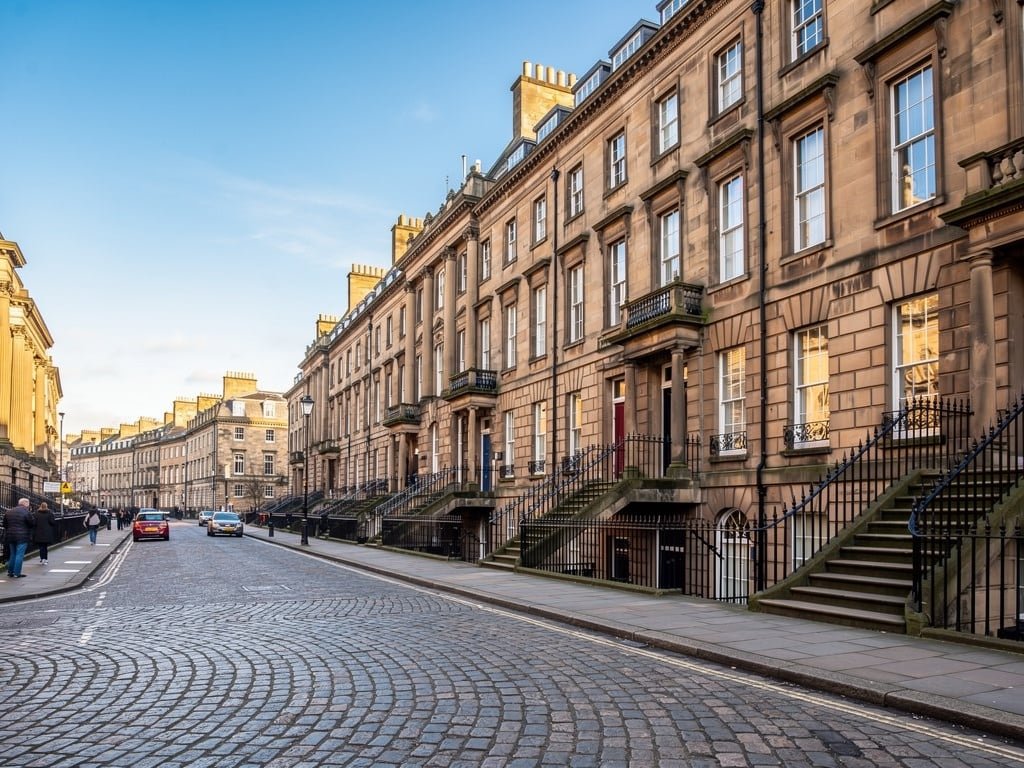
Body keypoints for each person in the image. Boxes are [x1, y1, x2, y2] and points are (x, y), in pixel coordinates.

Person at [4, 498, 35, 578]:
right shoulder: (26, 512)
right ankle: (17, 573)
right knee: (19, 555)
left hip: (10, 536)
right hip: (22, 536)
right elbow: (32, 523)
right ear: (26, 504)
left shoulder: (9, 511)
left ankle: (10, 572)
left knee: (13, 554)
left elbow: (5, 524)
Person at [32, 501, 58, 566]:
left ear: (40, 506)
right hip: (47, 533)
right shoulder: (50, 513)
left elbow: (34, 523)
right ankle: (45, 559)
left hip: (38, 532)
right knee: (45, 547)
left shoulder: (36, 514)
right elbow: (53, 522)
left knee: (41, 547)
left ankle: (42, 558)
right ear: (46, 506)